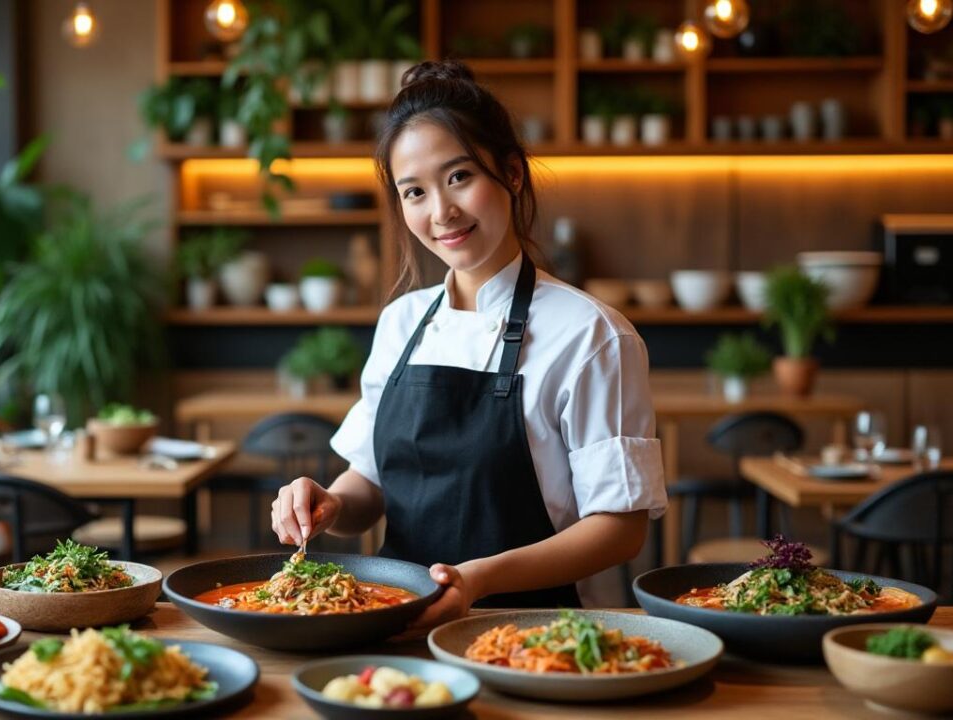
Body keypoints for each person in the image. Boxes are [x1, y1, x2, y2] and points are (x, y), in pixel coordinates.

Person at [271, 60, 667, 629]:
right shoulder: (402, 322)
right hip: (396, 622)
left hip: (538, 634)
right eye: (414, 191)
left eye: (459, 177)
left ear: (510, 172)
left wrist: (476, 579)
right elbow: (370, 484)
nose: (441, 213)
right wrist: (329, 502)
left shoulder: (591, 335)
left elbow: (620, 529)